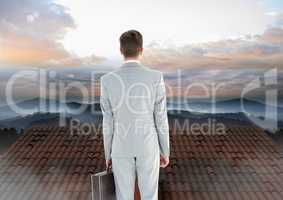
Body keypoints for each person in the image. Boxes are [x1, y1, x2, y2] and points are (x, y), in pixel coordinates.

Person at [100, 30, 170, 200]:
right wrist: (165, 150)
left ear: (120, 50)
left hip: (120, 147)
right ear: (141, 49)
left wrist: (108, 153)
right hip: (148, 146)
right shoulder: (156, 77)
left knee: (123, 197)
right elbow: (160, 117)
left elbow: (108, 122)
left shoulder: (107, 80)